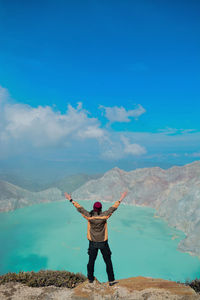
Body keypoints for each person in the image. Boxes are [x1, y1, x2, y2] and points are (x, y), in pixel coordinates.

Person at [64, 191, 128, 286]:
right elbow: (113, 208)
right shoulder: (104, 216)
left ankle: (90, 279)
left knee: (91, 261)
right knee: (108, 262)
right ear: (101, 208)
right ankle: (111, 281)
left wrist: (71, 200)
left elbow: (80, 209)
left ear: (94, 208)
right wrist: (121, 198)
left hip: (93, 243)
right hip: (103, 243)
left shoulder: (89, 216)